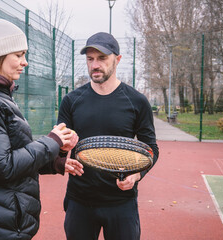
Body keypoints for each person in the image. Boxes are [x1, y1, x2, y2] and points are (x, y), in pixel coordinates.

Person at [0, 19, 83, 240]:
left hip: (6, 219)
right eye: (19, 55)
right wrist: (51, 141)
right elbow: (3, 166)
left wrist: (56, 159)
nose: (25, 62)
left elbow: (15, 154)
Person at [57, 32, 159, 240]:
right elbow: (59, 147)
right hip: (80, 201)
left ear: (117, 59)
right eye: (90, 59)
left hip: (121, 202)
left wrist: (136, 175)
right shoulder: (71, 101)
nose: (95, 65)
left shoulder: (137, 101)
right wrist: (62, 153)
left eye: (102, 58)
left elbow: (151, 149)